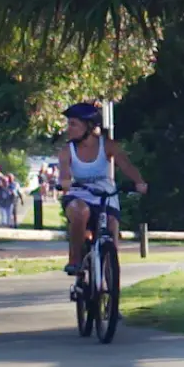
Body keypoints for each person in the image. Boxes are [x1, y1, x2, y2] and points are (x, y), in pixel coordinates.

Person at [58, 102, 148, 275]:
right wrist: (64, 182)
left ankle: (110, 276)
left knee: (112, 226)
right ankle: (75, 259)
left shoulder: (107, 145)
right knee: (80, 212)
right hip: (79, 194)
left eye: (73, 124)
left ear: (89, 126)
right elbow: (64, 176)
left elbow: (126, 165)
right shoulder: (67, 151)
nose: (68, 129)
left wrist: (139, 182)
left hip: (105, 194)